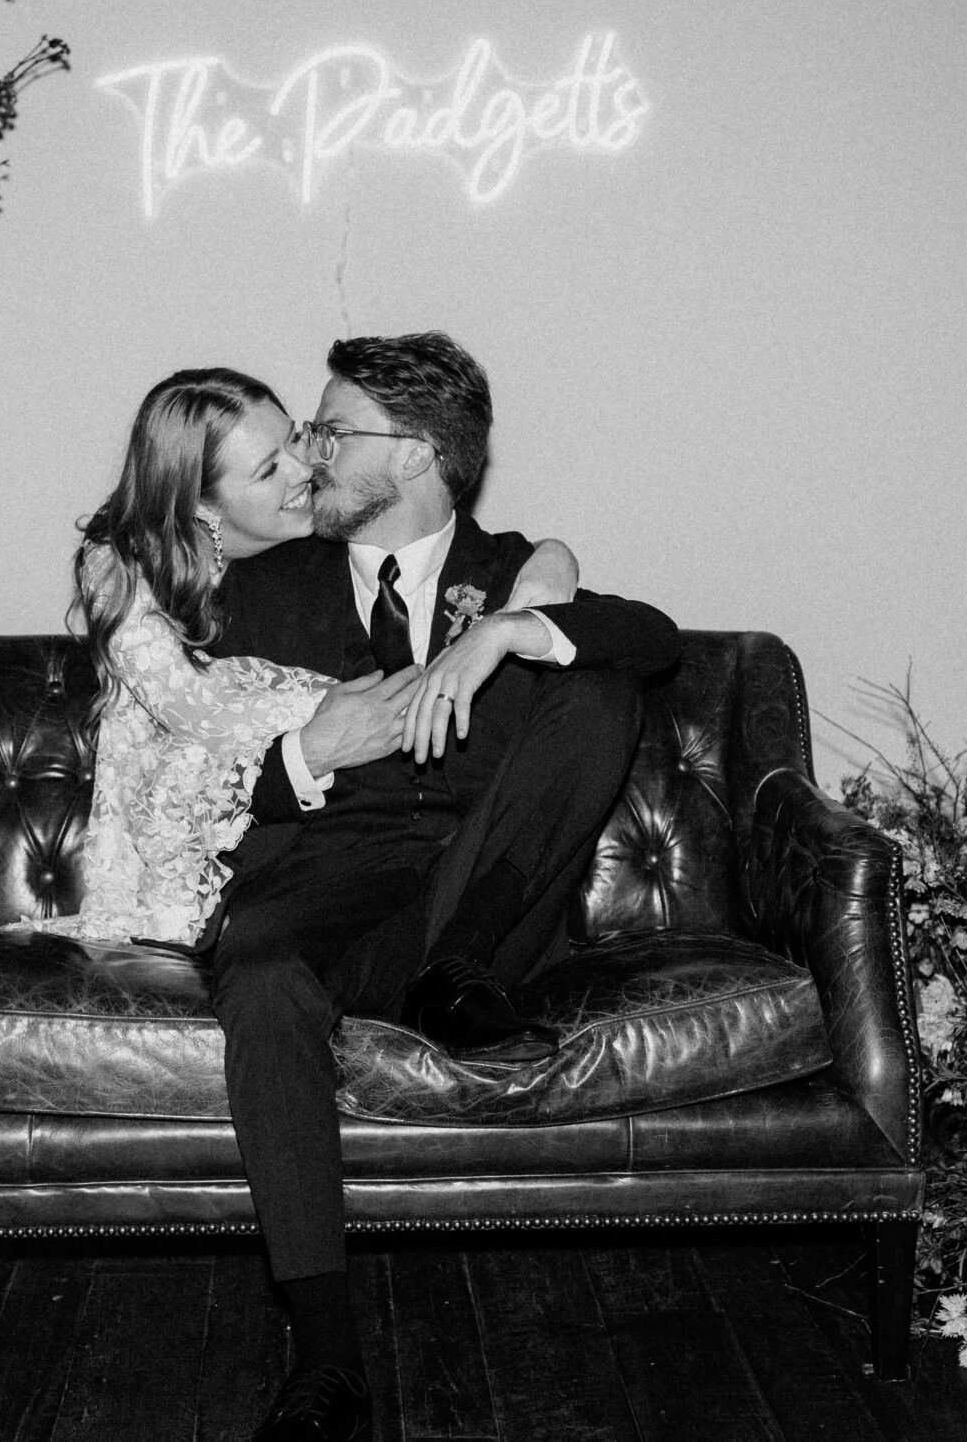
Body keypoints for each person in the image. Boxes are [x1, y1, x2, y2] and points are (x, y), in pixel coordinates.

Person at [204, 332, 680, 1442]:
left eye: (332, 430)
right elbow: (183, 777)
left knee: (599, 690)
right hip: (325, 897)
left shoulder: (514, 570)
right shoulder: (254, 592)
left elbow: (654, 643)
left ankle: (457, 964)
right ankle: (326, 1364)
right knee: (262, 977)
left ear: (414, 454)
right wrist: (302, 758)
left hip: (476, 907)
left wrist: (518, 627)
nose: (311, 453)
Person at [38, 367, 580, 949]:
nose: (305, 470)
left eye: (295, 439)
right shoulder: (125, 575)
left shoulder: (316, 539)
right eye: (269, 471)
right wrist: (331, 718)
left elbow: (437, 546)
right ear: (204, 509)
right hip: (179, 845)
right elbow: (196, 713)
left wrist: (555, 557)